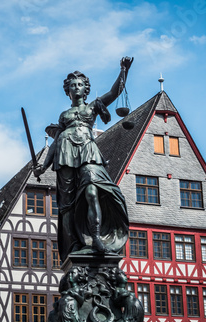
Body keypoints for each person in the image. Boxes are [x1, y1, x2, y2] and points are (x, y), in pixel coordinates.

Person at [34, 57, 133, 262]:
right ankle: (75, 244)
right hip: (65, 154)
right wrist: (43, 167)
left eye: (80, 85)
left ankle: (96, 237)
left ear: (85, 89)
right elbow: (56, 141)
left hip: (88, 151)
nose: (76, 88)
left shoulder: (93, 107)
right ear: (67, 90)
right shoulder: (64, 115)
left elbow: (114, 93)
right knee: (67, 204)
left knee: (92, 189)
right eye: (72, 85)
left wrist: (124, 71)